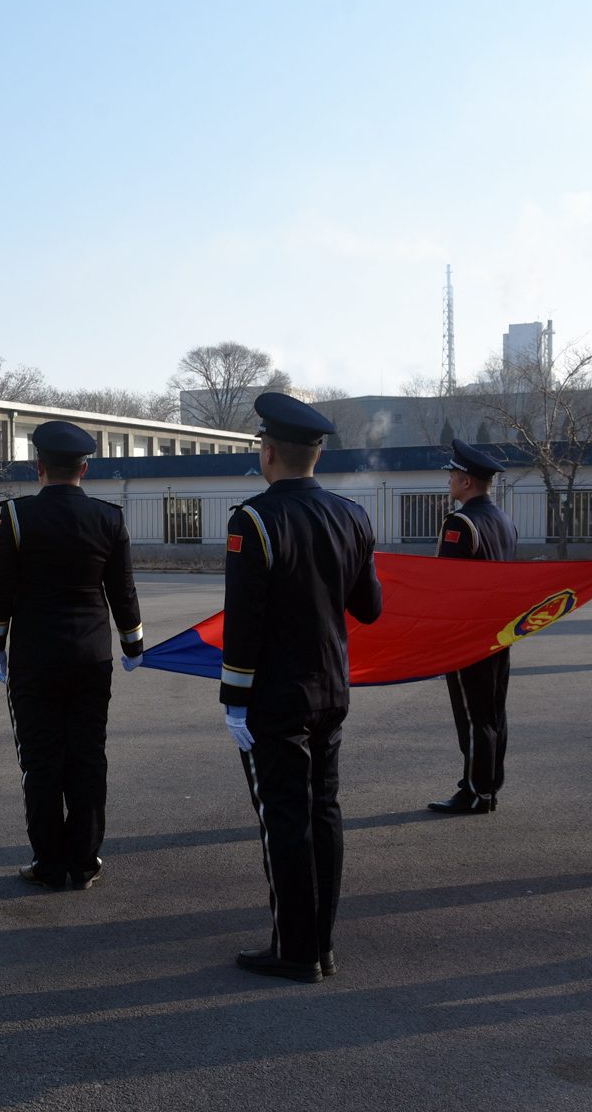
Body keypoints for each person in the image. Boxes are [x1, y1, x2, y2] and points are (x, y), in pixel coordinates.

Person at [218, 392, 383, 983]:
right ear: (316, 454)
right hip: (331, 688)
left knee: (284, 818)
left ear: (269, 453)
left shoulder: (253, 519)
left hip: (275, 695)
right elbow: (370, 606)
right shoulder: (353, 516)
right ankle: (321, 943)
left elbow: (245, 620)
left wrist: (234, 698)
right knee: (323, 812)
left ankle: (295, 950)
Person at [0, 421, 144, 893]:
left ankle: (50, 862)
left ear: (40, 467)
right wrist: (132, 643)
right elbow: (124, 592)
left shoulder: (15, 517)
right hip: (92, 656)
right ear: (85, 468)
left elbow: (0, 589)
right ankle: (85, 859)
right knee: (89, 755)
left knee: (41, 759)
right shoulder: (110, 518)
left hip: (35, 657)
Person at [428, 440, 518, 814]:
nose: (448, 479)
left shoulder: (460, 523)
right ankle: (489, 785)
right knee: (494, 710)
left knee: (473, 715)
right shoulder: (503, 520)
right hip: (500, 632)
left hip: (468, 636)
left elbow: (448, 585)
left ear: (466, 481)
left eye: (452, 474)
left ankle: (476, 791)